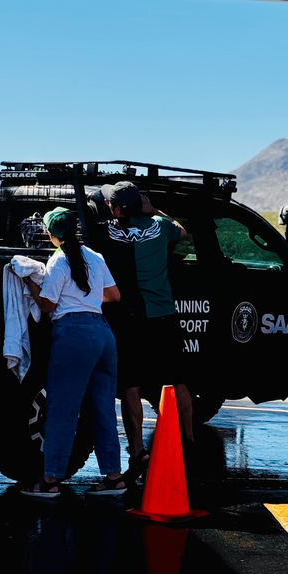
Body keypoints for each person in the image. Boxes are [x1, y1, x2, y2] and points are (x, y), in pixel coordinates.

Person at [90, 181, 194, 481]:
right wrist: (153, 209)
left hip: (128, 318)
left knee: (130, 387)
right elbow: (183, 232)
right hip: (163, 315)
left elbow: (93, 213)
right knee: (177, 383)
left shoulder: (105, 231)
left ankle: (137, 451)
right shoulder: (161, 225)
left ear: (117, 209)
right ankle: (186, 445)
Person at [18, 207, 125, 497]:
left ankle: (50, 480)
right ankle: (114, 477)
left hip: (73, 334)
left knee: (62, 408)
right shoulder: (95, 257)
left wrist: (28, 281)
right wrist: (86, 294)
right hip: (103, 334)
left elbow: (48, 305)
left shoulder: (58, 262)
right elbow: (113, 295)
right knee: (102, 408)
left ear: (52, 235)